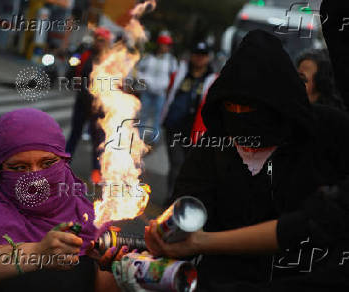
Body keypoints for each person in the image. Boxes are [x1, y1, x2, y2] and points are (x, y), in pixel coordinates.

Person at [144, 29, 349, 291]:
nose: (240, 118)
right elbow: (187, 208)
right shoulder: (214, 146)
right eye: (231, 108)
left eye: (249, 108)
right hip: (222, 282)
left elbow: (316, 222)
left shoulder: (328, 132)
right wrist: (165, 238)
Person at [0, 108, 125, 292]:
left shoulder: (90, 218)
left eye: (48, 163)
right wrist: (37, 253)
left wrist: (124, 269)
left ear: (64, 162)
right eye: (19, 167)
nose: (36, 178)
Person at [162, 41, 217, 200]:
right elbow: (169, 94)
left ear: (208, 58)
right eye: (197, 54)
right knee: (176, 164)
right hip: (174, 128)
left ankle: (181, 198)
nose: (199, 58)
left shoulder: (213, 79)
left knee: (189, 168)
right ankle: (172, 198)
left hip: (196, 133)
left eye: (203, 55)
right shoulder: (180, 73)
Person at [66, 27, 112, 184]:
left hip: (98, 107)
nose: (99, 43)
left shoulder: (110, 60)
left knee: (97, 141)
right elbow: (74, 70)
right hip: (82, 101)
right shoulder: (86, 54)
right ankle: (64, 165)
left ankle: (96, 171)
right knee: (74, 134)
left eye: (102, 40)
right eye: (97, 39)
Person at [137, 31, 177, 144]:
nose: (166, 48)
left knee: (158, 117)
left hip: (161, 93)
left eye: (168, 46)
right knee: (143, 114)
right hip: (147, 91)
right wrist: (144, 79)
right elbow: (138, 70)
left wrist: (169, 90)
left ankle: (154, 139)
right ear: (160, 45)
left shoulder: (171, 61)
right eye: (165, 45)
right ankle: (139, 136)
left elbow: (174, 76)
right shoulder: (148, 57)